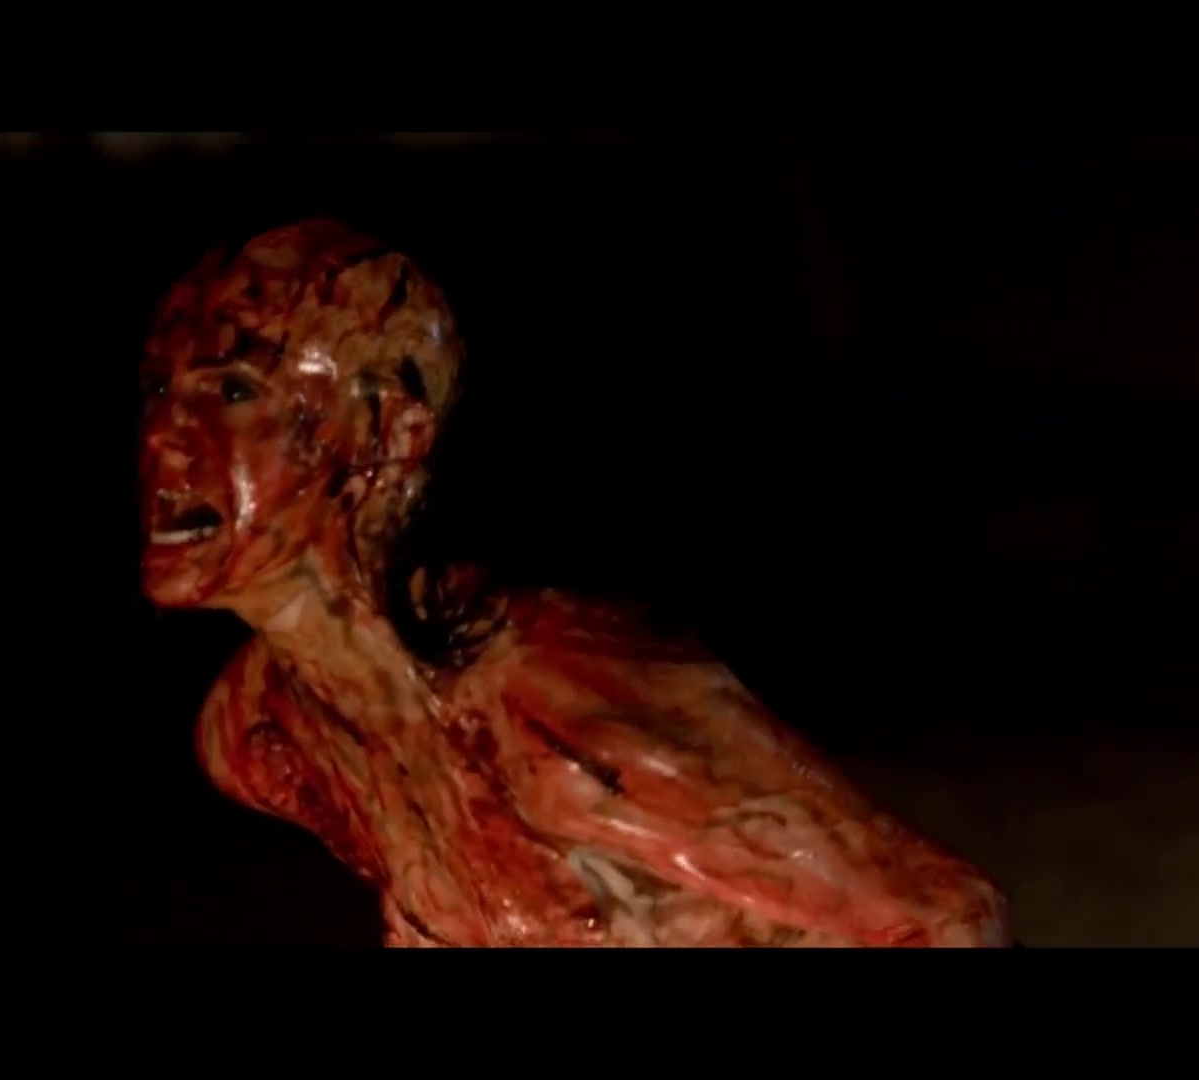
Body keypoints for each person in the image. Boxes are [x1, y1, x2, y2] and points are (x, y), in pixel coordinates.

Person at [138, 218, 1011, 946]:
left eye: (234, 390)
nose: (164, 434)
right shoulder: (261, 732)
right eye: (158, 388)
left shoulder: (547, 704)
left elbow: (946, 917)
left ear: (385, 433)